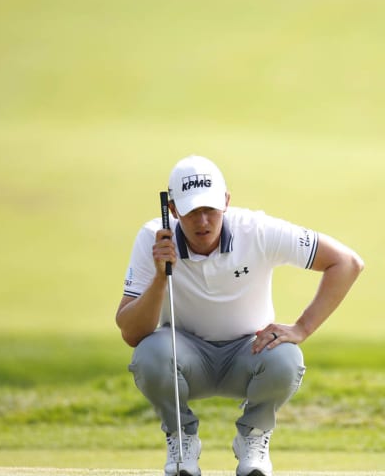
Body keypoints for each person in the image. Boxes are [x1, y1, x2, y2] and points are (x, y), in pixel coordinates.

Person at [115, 155, 364, 476]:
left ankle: (253, 437)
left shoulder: (257, 230)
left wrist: (302, 328)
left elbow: (347, 263)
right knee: (149, 353)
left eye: (210, 209)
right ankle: (181, 437)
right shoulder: (153, 238)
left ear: (226, 202)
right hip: (185, 359)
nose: (203, 221)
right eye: (191, 211)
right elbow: (131, 333)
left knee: (287, 357)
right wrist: (161, 277)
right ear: (174, 210)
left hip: (250, 355)